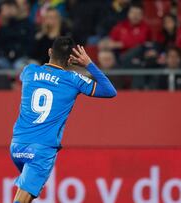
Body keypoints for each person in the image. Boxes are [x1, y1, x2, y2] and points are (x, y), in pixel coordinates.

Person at [10, 36, 116, 203]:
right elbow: (109, 91)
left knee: (24, 194)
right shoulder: (73, 80)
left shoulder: (29, 71)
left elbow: (25, 77)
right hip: (41, 150)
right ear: (70, 59)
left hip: (17, 146)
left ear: (50, 52)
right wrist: (88, 64)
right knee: (22, 199)